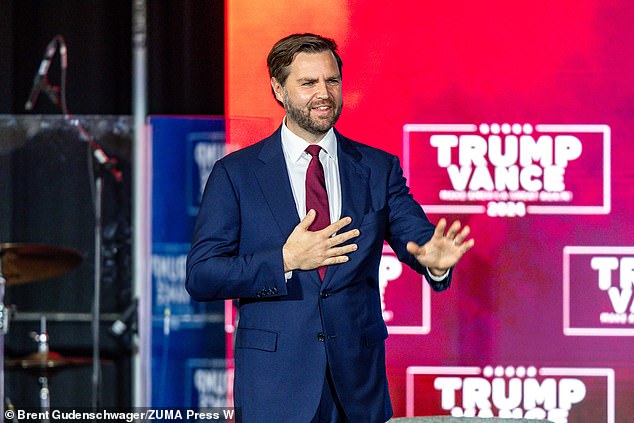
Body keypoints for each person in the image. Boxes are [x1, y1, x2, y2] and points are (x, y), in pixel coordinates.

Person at [186, 33, 474, 423]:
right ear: (278, 89)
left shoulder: (376, 168)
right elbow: (203, 275)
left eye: (332, 80)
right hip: (275, 388)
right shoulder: (236, 174)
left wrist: (435, 262)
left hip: (357, 389)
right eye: (308, 83)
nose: (324, 93)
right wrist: (285, 260)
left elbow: (419, 238)